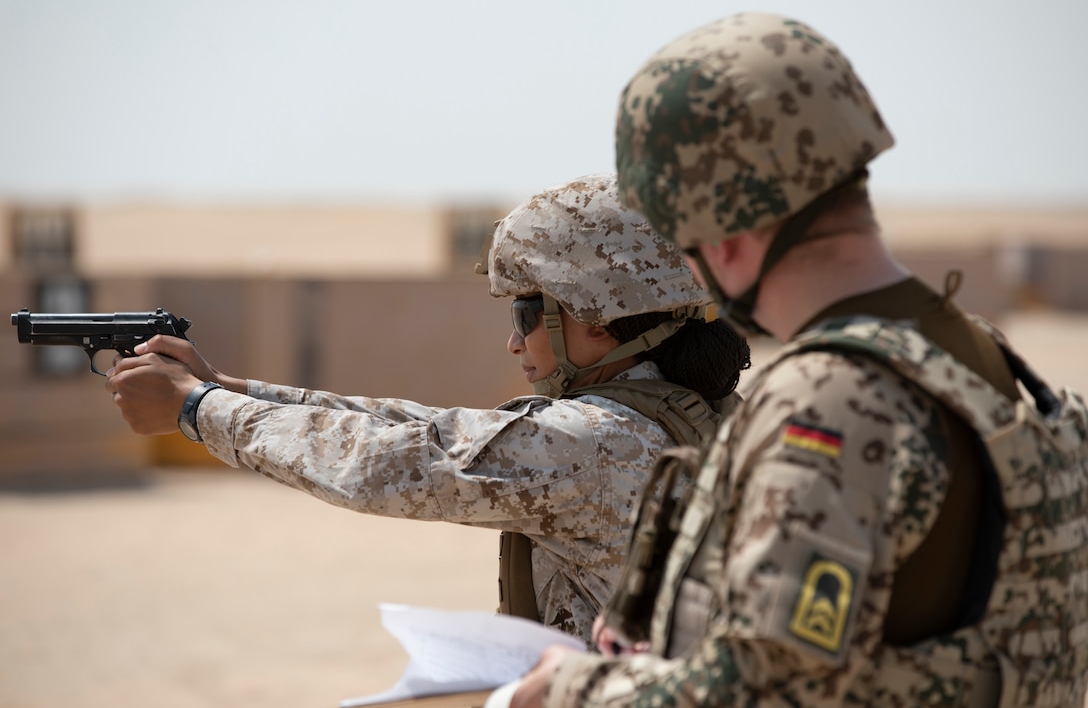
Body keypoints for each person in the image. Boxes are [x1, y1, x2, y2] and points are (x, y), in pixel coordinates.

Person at [507, 12, 1088, 706]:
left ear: (718, 231)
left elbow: (764, 691)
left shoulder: (830, 402)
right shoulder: (979, 357)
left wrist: (572, 689)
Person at [104, 172, 751, 646]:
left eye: (527, 314)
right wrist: (238, 390)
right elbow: (432, 427)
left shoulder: (593, 440)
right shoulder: (712, 413)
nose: (514, 340)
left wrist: (198, 410)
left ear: (598, 322)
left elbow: (382, 463)